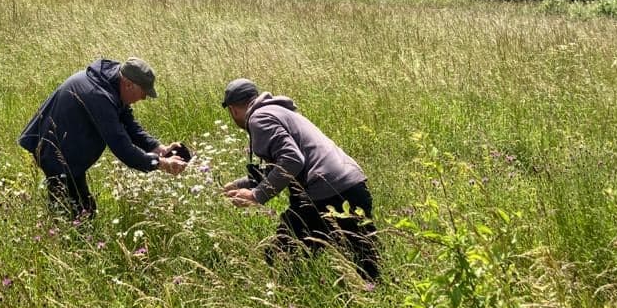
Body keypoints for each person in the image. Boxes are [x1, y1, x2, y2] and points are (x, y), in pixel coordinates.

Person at [221, 78, 380, 282]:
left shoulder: (258, 119)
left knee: (282, 254)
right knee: (367, 263)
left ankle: (292, 298)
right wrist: (240, 185)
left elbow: (292, 160)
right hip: (352, 185)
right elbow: (279, 167)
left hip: (325, 193)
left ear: (233, 110)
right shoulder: (279, 111)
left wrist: (256, 196)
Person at [19, 57, 187, 218]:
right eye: (143, 93)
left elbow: (129, 124)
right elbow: (123, 148)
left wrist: (158, 149)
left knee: (83, 211)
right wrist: (161, 164)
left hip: (68, 149)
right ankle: (54, 233)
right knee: (73, 213)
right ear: (128, 84)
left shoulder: (110, 82)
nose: (143, 98)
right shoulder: (99, 97)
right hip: (55, 152)